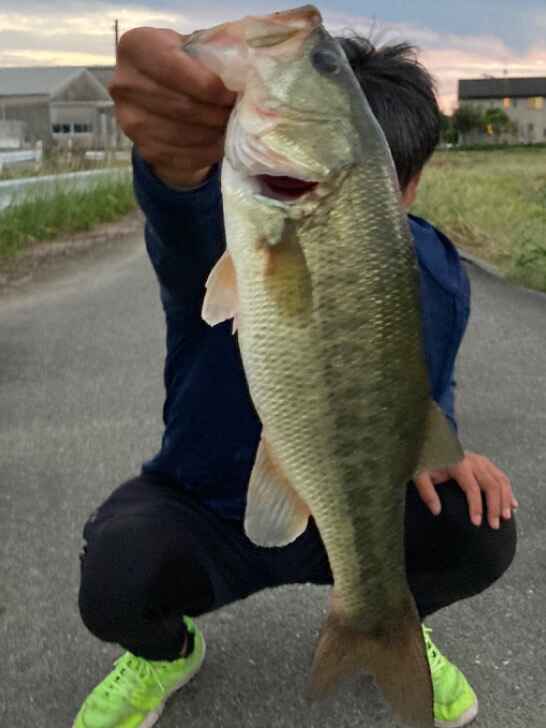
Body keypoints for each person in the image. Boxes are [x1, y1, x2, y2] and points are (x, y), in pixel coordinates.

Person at [73, 26, 518, 728]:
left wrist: (449, 444)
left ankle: (392, 623)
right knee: (115, 575)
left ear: (406, 186)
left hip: (341, 509)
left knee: (478, 523)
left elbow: (424, 388)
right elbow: (177, 192)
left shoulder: (436, 270)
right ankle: (165, 654)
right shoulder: (226, 229)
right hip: (206, 508)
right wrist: (172, 158)